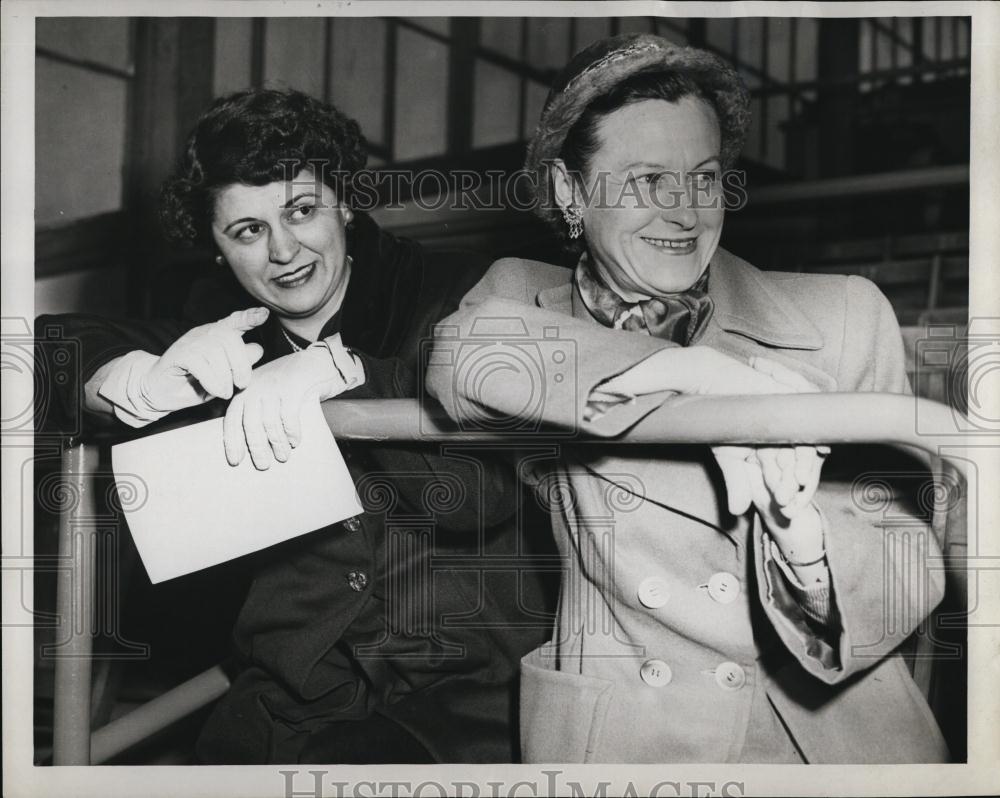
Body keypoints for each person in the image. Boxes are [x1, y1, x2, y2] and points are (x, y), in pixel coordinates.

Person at [425, 33, 950, 763]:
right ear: (570, 192)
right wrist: (700, 375)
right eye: (645, 181)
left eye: (703, 179)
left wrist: (804, 549)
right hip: (631, 736)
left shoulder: (841, 315)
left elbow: (907, 566)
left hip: (824, 737)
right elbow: (460, 358)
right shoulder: (523, 300)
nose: (684, 213)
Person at [36, 88, 553, 763]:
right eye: (247, 230)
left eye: (301, 211)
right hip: (294, 682)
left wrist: (342, 372)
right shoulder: (220, 327)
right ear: (218, 250)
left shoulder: (456, 291)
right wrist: (138, 378)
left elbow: (477, 497)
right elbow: (57, 347)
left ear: (344, 200)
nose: (283, 250)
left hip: (464, 685)